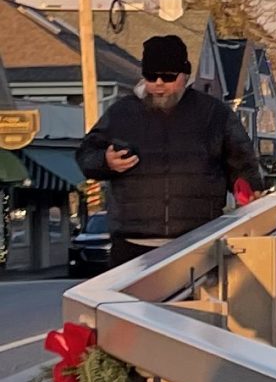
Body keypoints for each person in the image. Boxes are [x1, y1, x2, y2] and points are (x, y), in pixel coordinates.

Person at [77, 34, 260, 267]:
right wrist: (105, 161)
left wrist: (249, 189)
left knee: (192, 305)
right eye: (152, 76)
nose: (159, 83)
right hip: (131, 247)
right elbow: (85, 155)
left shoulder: (214, 114)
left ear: (185, 75)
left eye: (168, 76)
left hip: (197, 242)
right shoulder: (121, 114)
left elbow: (242, 163)